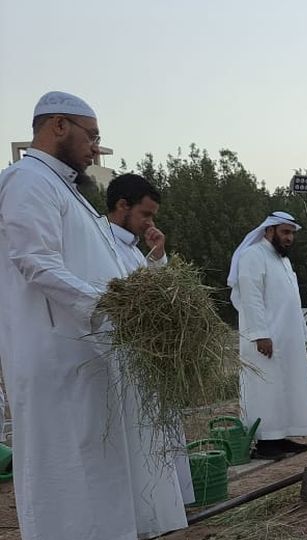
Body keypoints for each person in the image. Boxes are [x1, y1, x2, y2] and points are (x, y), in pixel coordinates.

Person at [0, 92, 169, 540]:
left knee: (90, 454)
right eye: (91, 136)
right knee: (56, 458)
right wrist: (106, 302)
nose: (96, 149)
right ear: (57, 126)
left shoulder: (64, 187)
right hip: (50, 348)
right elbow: (33, 259)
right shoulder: (27, 181)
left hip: (82, 346)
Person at [105, 173, 196, 513]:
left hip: (149, 355)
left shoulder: (131, 248)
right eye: (145, 215)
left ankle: (168, 503)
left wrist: (157, 255)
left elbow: (150, 291)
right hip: (125, 355)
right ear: (122, 206)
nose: (149, 223)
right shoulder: (102, 244)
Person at [229, 211, 307, 460]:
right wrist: (260, 334)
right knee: (264, 389)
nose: (289, 238)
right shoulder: (253, 256)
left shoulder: (281, 260)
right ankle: (265, 443)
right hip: (263, 338)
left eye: (291, 233)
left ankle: (280, 436)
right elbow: (251, 298)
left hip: (284, 336)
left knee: (285, 388)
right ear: (269, 231)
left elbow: (289, 299)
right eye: (285, 232)